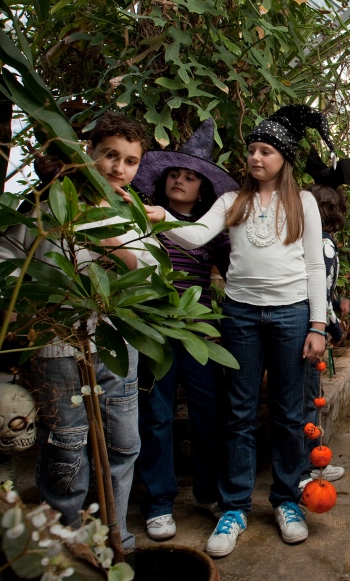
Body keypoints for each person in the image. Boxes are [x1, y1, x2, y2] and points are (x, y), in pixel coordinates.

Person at [143, 105, 328, 554]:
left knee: (288, 412)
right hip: (242, 316)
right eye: (252, 150)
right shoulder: (230, 202)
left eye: (265, 151)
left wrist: (318, 324)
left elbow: (314, 265)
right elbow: (196, 236)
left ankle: (286, 501)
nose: (256, 158)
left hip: (291, 316)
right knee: (240, 413)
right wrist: (160, 218)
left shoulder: (303, 202)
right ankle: (235, 507)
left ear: (284, 157)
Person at [0, 113, 158, 551]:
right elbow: (5, 255)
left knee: (122, 443)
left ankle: (115, 537)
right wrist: (20, 309)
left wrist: (113, 243)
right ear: (89, 154)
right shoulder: (47, 204)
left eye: (131, 161)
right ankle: (65, 543)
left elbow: (153, 273)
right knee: (66, 443)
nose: (119, 168)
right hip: (57, 346)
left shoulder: (130, 210)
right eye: (110, 155)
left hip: (116, 343)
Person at [130, 119, 237, 542]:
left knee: (209, 413)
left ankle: (209, 492)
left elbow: (237, 272)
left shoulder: (213, 230)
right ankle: (158, 503)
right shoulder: (143, 217)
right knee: (155, 415)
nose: (180, 180)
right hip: (152, 326)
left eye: (190, 176)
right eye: (174, 173)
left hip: (199, 329)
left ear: (203, 188)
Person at [300, 161, 350, 488]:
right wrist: (332, 326)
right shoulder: (323, 244)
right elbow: (317, 290)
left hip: (303, 325)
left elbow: (325, 289)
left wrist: (336, 303)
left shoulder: (307, 240)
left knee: (309, 395)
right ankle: (306, 466)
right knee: (307, 398)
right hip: (310, 330)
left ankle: (311, 460)